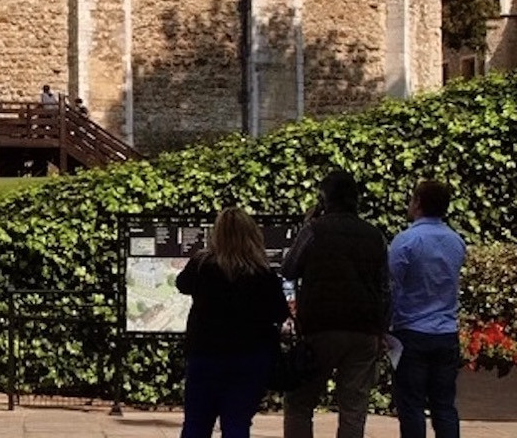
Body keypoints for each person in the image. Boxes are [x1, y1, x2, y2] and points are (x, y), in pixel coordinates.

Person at [281, 169, 389, 438]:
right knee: (353, 407)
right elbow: (385, 287)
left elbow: (289, 268)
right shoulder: (375, 236)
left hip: (320, 327)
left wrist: (309, 222)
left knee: (299, 402)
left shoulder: (314, 230)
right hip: (363, 330)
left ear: (324, 199)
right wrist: (381, 330)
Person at [176, 207, 290, 438]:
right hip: (249, 356)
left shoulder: (202, 266)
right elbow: (279, 313)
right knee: (237, 424)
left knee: (196, 424)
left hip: (205, 353)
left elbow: (182, 284)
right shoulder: (262, 273)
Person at [389, 179, 466, 438]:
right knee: (444, 405)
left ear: (418, 203)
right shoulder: (456, 241)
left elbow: (391, 286)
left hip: (411, 332)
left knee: (411, 405)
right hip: (446, 331)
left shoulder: (405, 241)